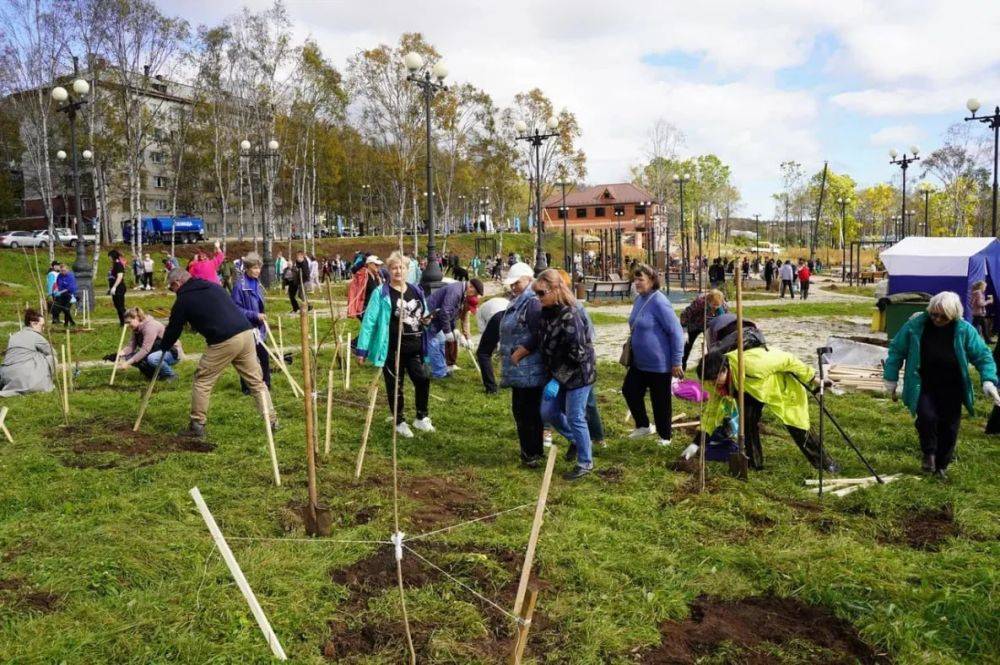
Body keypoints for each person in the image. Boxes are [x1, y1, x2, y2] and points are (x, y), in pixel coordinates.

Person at [884, 291, 999, 479]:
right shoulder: (916, 325)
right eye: (934, 314)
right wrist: (891, 377)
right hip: (923, 383)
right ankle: (929, 453)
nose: (937, 319)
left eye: (943, 316)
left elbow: (983, 356)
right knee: (926, 417)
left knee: (950, 427)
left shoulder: (964, 330)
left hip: (953, 386)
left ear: (954, 315)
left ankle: (941, 467)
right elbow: (897, 349)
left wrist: (988, 379)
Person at [159, 268, 277, 438]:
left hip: (224, 339)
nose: (173, 291)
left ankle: (197, 425)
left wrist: (164, 346)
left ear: (177, 283)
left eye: (171, 288)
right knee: (256, 382)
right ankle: (272, 421)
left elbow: (173, 329)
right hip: (246, 333)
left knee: (203, 380)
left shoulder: (183, 299)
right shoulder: (212, 286)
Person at [698, 346, 837, 471]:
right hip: (749, 390)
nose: (712, 384)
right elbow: (711, 411)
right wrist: (698, 441)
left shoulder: (752, 364)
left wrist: (814, 379)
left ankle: (825, 463)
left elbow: (788, 360)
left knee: (798, 426)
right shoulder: (716, 381)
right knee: (747, 425)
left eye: (714, 379)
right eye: (708, 381)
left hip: (779, 388)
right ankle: (755, 463)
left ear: (724, 370)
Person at [356, 251, 434, 438]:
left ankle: (421, 417)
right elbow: (369, 321)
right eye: (394, 268)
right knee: (395, 385)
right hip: (392, 349)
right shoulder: (381, 293)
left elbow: (424, 312)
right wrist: (362, 349)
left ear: (408, 270)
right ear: (389, 271)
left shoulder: (416, 290)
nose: (398, 271)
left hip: (415, 347)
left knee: (422, 378)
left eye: (402, 267)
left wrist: (427, 320)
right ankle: (399, 421)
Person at [533, 269, 597, 480]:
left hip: (579, 374)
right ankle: (577, 440)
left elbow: (577, 354)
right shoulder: (546, 313)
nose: (538, 298)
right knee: (548, 412)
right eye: (537, 293)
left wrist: (557, 380)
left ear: (555, 290)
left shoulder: (571, 315)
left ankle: (585, 463)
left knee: (575, 415)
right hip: (556, 374)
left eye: (541, 293)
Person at [622, 263, 685, 446]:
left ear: (652, 280)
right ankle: (643, 425)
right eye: (635, 279)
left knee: (660, 401)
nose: (637, 282)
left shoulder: (659, 301)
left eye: (640, 279)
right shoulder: (639, 299)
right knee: (630, 390)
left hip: (659, 363)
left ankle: (665, 436)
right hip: (639, 362)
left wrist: (676, 361)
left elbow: (676, 331)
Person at [501, 263, 547, 467]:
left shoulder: (532, 303)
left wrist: (521, 351)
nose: (513, 287)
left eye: (517, 283)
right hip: (520, 369)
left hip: (529, 368)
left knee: (527, 411)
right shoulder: (519, 300)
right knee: (523, 410)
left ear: (529, 279)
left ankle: (532, 453)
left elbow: (539, 334)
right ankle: (530, 452)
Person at [427, 278, 484, 377]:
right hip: (430, 316)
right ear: (470, 287)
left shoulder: (462, 294)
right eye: (474, 293)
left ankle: (442, 369)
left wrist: (462, 334)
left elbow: (454, 315)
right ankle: (439, 373)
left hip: (437, 318)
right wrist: (448, 331)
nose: (474, 295)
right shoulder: (456, 292)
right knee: (434, 343)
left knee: (440, 343)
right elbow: (445, 312)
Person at [231, 253, 271, 394]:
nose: (257, 271)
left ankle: (266, 384)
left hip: (259, 328)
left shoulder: (257, 283)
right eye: (254, 268)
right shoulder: (239, 286)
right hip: (246, 328)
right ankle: (247, 388)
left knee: (264, 357)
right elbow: (235, 309)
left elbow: (259, 304)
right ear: (247, 268)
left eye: (259, 267)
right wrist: (255, 315)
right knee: (247, 359)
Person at [111, 307, 181, 380]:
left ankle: (171, 375)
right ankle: (155, 375)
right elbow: (131, 346)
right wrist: (119, 354)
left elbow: (145, 350)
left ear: (136, 318)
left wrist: (127, 363)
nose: (128, 325)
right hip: (156, 350)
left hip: (172, 352)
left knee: (152, 359)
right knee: (128, 356)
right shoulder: (137, 328)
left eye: (129, 322)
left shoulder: (150, 327)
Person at [0, 309, 54, 396]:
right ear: (33, 324)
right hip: (25, 378)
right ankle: (42, 383)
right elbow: (52, 352)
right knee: (49, 356)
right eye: (42, 325)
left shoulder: (14, 335)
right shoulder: (37, 336)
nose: (43, 329)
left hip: (7, 375)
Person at [679, 288, 727, 370]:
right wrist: (684, 327)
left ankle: (712, 368)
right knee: (688, 345)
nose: (715, 308)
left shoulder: (723, 304)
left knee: (712, 346)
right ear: (709, 300)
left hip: (709, 325)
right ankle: (682, 366)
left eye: (717, 306)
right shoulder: (700, 302)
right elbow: (686, 314)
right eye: (714, 305)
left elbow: (725, 316)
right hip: (695, 324)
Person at [474, 294, 511, 394]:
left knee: (483, 353)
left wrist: (492, 346)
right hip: (512, 315)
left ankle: (491, 388)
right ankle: (511, 381)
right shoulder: (503, 299)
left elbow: (483, 331)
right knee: (511, 350)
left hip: (497, 318)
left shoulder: (481, 309)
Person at [107, 249, 128, 326]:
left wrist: (114, 287)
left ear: (112, 256)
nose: (109, 259)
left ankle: (126, 321)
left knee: (121, 306)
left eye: (109, 257)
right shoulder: (114, 264)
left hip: (119, 288)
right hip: (114, 288)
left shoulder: (118, 264)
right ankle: (122, 323)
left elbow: (120, 276)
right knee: (117, 306)